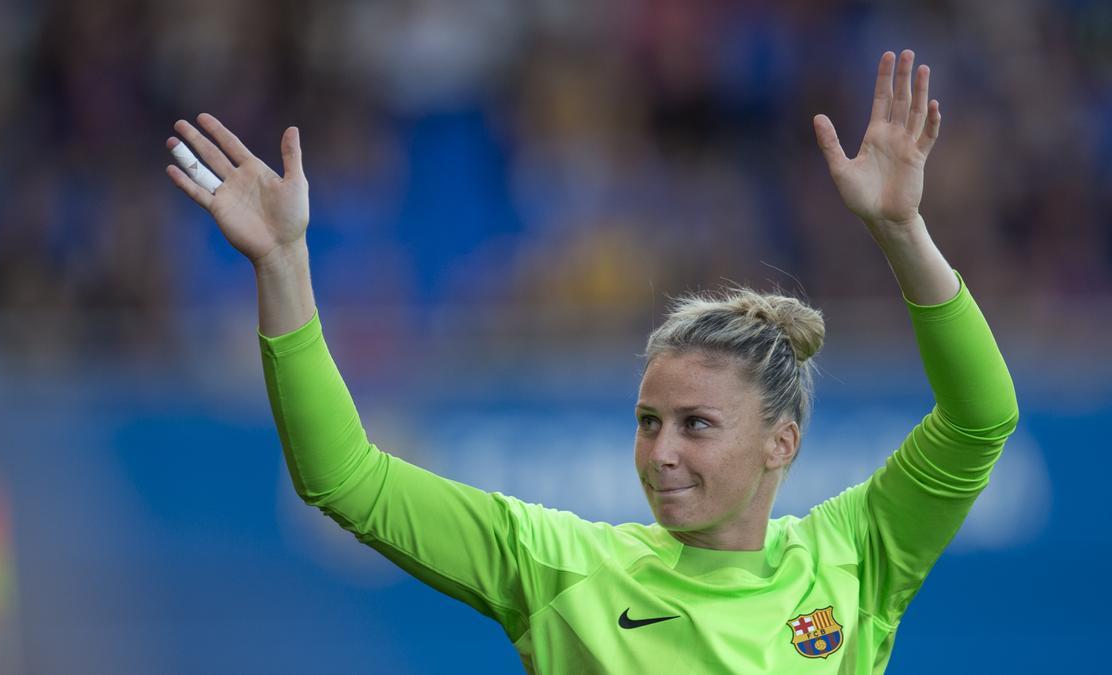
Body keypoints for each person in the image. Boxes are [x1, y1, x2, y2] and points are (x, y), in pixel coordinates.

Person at [165, 50, 1017, 673]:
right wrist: (283, 266)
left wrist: (903, 231)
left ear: (781, 442)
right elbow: (345, 478)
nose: (661, 451)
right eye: (648, 422)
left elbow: (982, 417)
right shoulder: (562, 568)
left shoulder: (853, 557)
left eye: (696, 424)